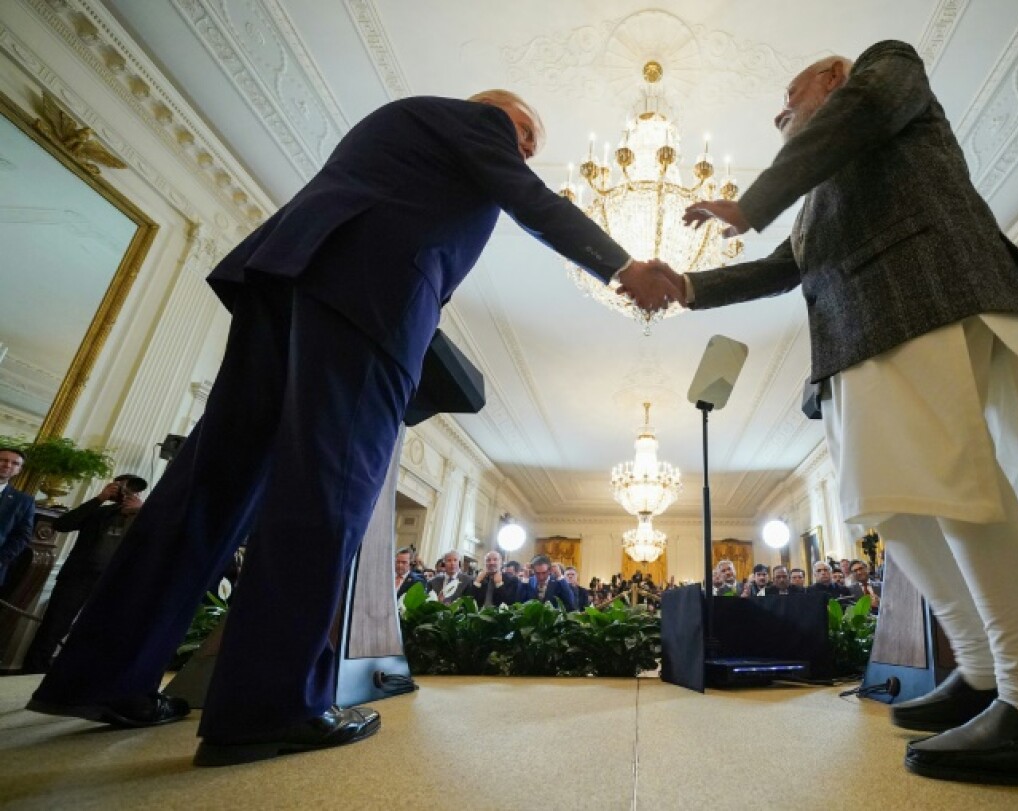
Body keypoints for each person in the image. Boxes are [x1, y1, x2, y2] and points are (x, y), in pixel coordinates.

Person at [28, 89, 676, 768]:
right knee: (328, 488)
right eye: (527, 135)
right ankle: (268, 708)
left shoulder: (403, 129)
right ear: (499, 114)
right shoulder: (476, 120)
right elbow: (530, 198)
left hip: (286, 277)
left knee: (209, 482)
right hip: (369, 293)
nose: (525, 151)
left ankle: (101, 678)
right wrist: (624, 265)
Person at [633, 42, 1018, 786]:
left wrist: (748, 203)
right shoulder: (819, 193)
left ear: (832, 79)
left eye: (790, 96)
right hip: (854, 342)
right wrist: (685, 284)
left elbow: (863, 112)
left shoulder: (885, 72)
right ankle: (980, 668)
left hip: (921, 298)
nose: (780, 113)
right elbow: (788, 267)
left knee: (956, 482)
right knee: (899, 511)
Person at [23, 475, 148, 673]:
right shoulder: (99, 512)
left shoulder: (148, 517)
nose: (129, 492)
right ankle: (33, 670)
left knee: (98, 631)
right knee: (54, 626)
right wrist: (99, 498)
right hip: (79, 577)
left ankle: (77, 673)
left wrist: (142, 513)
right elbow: (62, 524)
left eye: (135, 489)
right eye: (124, 487)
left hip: (115, 583)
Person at [0, 447, 35, 590]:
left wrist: (1, 560)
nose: (8, 465)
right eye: (3, 460)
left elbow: (22, 536)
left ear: (19, 470)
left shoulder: (23, 501)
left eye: (15, 463)